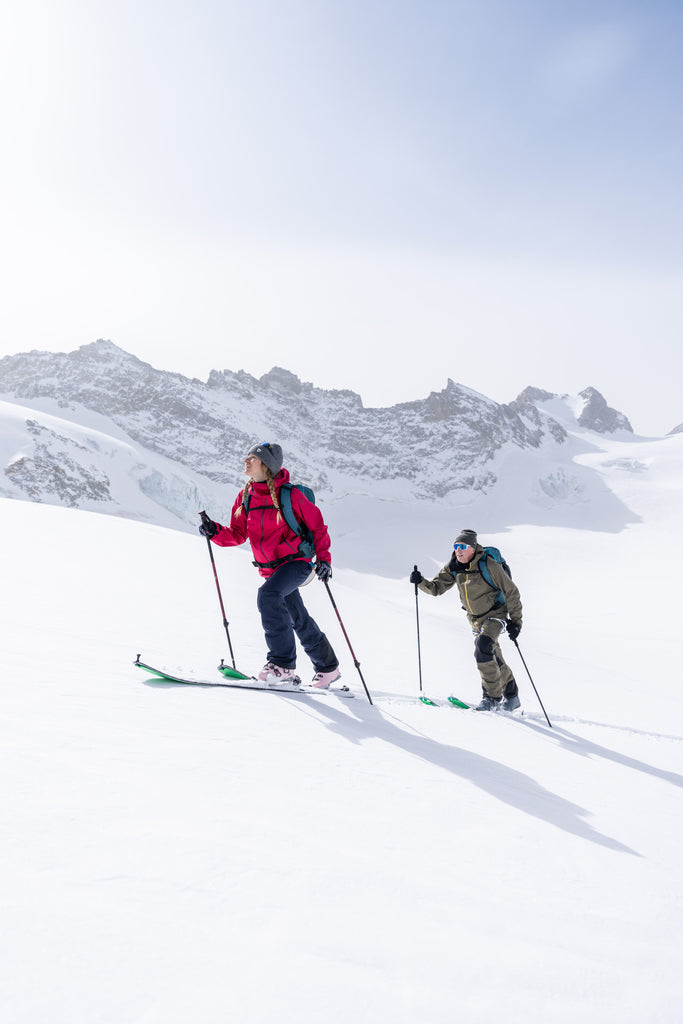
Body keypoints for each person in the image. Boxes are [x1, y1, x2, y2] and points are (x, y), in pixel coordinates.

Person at [199, 442, 341, 688]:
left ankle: (283, 664)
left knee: (268, 595)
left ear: (266, 465)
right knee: (296, 615)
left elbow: (318, 527)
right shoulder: (245, 497)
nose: (246, 461)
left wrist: (325, 559)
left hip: (297, 563)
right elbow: (237, 534)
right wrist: (214, 531)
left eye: (252, 458)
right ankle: (327, 667)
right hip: (272, 569)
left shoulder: (292, 495)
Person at [410, 529, 522, 711]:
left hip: (496, 614)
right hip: (476, 619)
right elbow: (436, 588)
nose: (458, 551)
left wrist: (516, 622)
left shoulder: (489, 565)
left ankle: (492, 698)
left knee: (483, 647)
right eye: (455, 547)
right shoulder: (454, 566)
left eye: (462, 547)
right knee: (492, 655)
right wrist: (420, 581)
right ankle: (512, 695)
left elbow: (511, 591)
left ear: (473, 548)